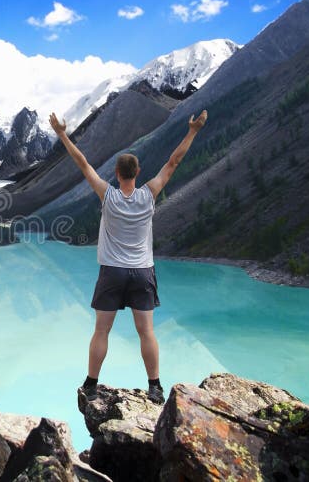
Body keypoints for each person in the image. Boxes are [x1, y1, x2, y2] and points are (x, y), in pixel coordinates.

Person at [48, 110, 208, 404]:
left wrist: (61, 134)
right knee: (146, 332)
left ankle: (92, 385)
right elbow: (174, 162)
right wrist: (193, 131)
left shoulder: (107, 195)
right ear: (137, 173)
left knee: (101, 331)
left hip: (112, 272)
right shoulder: (149, 194)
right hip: (142, 272)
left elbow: (83, 164)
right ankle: (155, 386)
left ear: (118, 174)